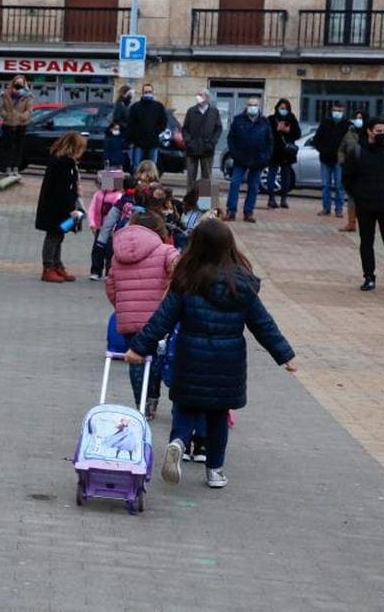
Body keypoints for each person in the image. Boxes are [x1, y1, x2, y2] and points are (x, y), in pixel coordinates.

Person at [124, 219, 297, 490]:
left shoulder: (187, 280)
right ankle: (215, 470)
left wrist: (138, 348)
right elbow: (262, 323)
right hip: (227, 363)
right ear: (229, 246)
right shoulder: (242, 284)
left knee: (186, 406)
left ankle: (178, 442)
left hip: (191, 356)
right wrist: (284, 354)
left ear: (196, 246)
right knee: (217, 417)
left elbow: (162, 319)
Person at [105, 211, 178, 419]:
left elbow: (110, 284)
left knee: (135, 358)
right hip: (158, 319)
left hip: (128, 319)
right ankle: (152, 396)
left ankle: (141, 402)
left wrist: (121, 306)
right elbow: (179, 267)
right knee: (155, 358)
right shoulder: (165, 250)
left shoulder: (118, 253)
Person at [342, 117, 384, 294]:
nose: (382, 134)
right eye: (379, 131)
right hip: (365, 205)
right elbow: (347, 178)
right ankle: (369, 277)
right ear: (370, 131)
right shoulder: (357, 151)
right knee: (366, 242)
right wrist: (358, 196)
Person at [35, 133, 87, 283]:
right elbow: (62, 189)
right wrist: (71, 208)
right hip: (56, 209)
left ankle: (57, 264)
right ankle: (48, 267)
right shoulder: (63, 163)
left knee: (60, 234)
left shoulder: (67, 163)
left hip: (61, 209)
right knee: (53, 235)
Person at [225, 97, 273, 223]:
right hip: (240, 159)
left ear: (259, 106)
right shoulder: (238, 120)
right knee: (235, 183)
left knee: (253, 186)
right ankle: (231, 211)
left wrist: (265, 157)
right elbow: (231, 138)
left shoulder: (264, 122)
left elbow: (270, 141)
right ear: (246, 106)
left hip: (257, 160)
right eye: (251, 105)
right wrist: (234, 154)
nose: (253, 107)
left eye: (255, 105)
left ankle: (248, 212)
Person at [312, 101, 350, 219]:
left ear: (343, 112)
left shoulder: (347, 125)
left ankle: (339, 209)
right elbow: (316, 140)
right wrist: (322, 150)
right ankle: (326, 208)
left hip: (339, 160)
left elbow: (350, 143)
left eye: (339, 111)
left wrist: (344, 155)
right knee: (325, 185)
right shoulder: (325, 123)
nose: (337, 113)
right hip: (325, 159)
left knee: (339, 186)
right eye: (335, 110)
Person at [266, 98, 302, 209]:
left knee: (286, 175)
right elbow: (266, 134)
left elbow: (298, 134)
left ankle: (284, 198)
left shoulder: (291, 119)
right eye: (281, 108)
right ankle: (271, 198)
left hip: (287, 152)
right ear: (277, 108)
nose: (283, 110)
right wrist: (276, 130)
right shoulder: (271, 119)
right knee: (272, 174)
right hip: (274, 151)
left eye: (285, 108)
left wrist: (288, 131)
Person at [182, 89, 222, 188]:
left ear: (207, 98)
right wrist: (188, 141)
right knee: (191, 178)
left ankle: (205, 202)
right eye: (197, 94)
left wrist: (212, 142)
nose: (198, 97)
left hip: (207, 149)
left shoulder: (214, 111)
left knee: (206, 178)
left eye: (201, 95)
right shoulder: (191, 111)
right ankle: (190, 201)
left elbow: (218, 128)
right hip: (192, 149)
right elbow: (185, 129)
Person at [336, 110, 365, 233]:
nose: (358, 120)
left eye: (361, 118)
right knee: (351, 197)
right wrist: (342, 161)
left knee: (364, 199)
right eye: (356, 117)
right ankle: (351, 223)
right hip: (350, 170)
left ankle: (365, 224)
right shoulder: (349, 133)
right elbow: (341, 149)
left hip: (365, 171)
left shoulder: (369, 134)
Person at [125, 84, 167, 169]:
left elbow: (163, 122)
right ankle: (137, 181)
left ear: (153, 92)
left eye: (150, 92)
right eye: (146, 92)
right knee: (137, 166)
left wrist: (156, 132)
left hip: (153, 142)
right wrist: (133, 138)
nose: (148, 93)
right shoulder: (135, 107)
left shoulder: (158, 106)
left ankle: (151, 181)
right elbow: (130, 124)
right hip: (138, 142)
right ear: (142, 93)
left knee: (152, 166)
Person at [0, 75, 33, 176]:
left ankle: (16, 168)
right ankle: (8, 167)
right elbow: (0, 108)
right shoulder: (5, 94)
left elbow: (30, 109)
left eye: (21, 82)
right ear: (13, 82)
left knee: (19, 147)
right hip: (8, 123)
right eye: (17, 82)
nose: (19, 84)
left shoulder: (27, 95)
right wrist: (6, 115)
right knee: (8, 147)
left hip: (21, 124)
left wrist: (23, 117)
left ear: (24, 83)